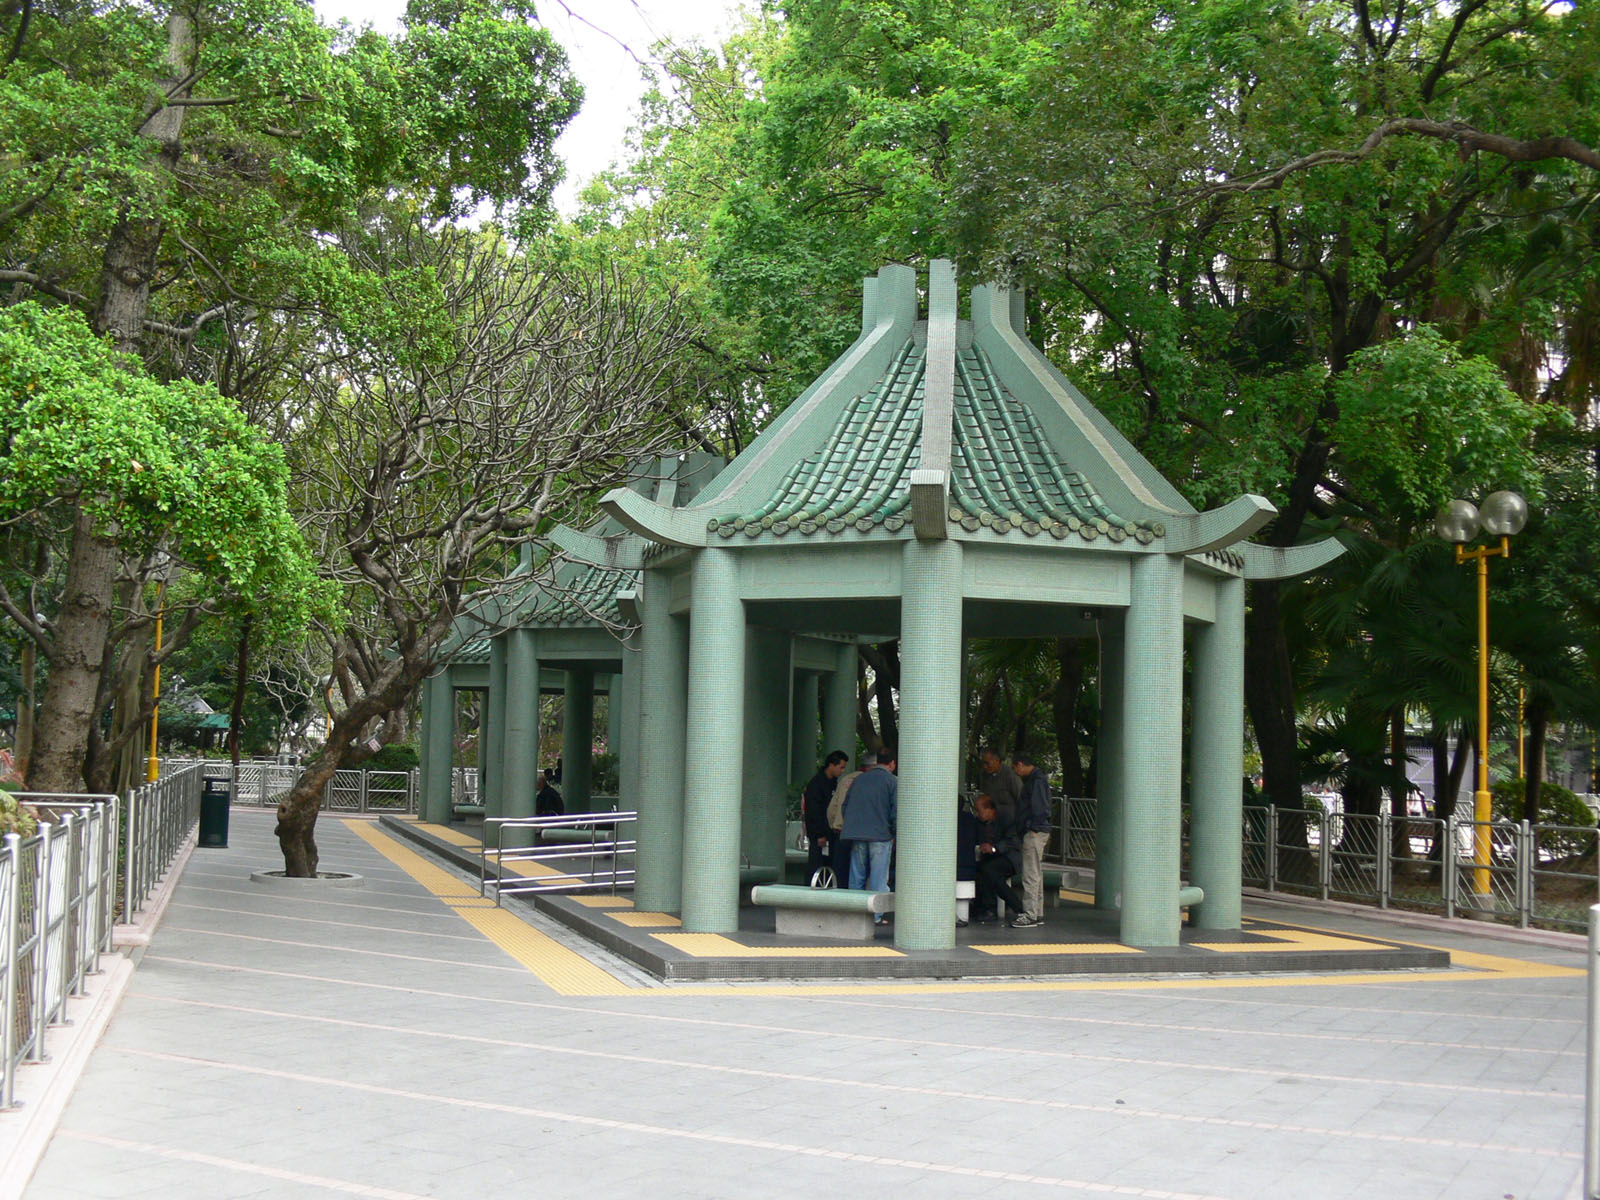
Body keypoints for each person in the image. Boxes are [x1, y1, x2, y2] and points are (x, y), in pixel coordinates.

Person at [840, 747, 898, 919]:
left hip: (857, 834)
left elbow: (845, 806)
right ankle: (876, 916)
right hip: (880, 836)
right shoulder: (893, 781)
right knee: (878, 879)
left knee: (856, 877)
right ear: (893, 764)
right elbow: (896, 811)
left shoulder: (859, 779)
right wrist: (894, 833)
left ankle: (855, 914)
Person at [971, 793, 1027, 923]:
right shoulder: (979, 823)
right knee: (986, 871)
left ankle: (991, 908)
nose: (978, 814)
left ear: (990, 809)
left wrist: (995, 848)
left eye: (980, 811)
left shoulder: (1006, 819)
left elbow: (1012, 842)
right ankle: (1012, 906)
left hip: (1009, 858)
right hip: (990, 859)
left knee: (989, 870)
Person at [1011, 752, 1051, 928]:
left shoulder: (1036, 781)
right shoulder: (1038, 779)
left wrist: (1032, 827)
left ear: (1020, 764)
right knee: (1036, 873)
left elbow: (1038, 807)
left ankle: (1030, 914)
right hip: (1038, 829)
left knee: (1030, 874)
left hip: (1034, 831)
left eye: (1015, 768)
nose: (1016, 772)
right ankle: (1037, 912)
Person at [802, 750, 849, 883]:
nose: (842, 771)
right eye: (841, 767)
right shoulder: (816, 785)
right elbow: (813, 811)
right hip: (820, 832)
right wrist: (819, 834)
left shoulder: (834, 783)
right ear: (831, 765)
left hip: (830, 831)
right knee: (816, 863)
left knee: (828, 863)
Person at [978, 746, 1023, 834]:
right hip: (992, 822)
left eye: (987, 763)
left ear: (997, 761)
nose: (985, 767)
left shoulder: (1010, 775)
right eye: (983, 763)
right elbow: (985, 796)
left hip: (1011, 822)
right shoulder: (984, 775)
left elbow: (1021, 798)